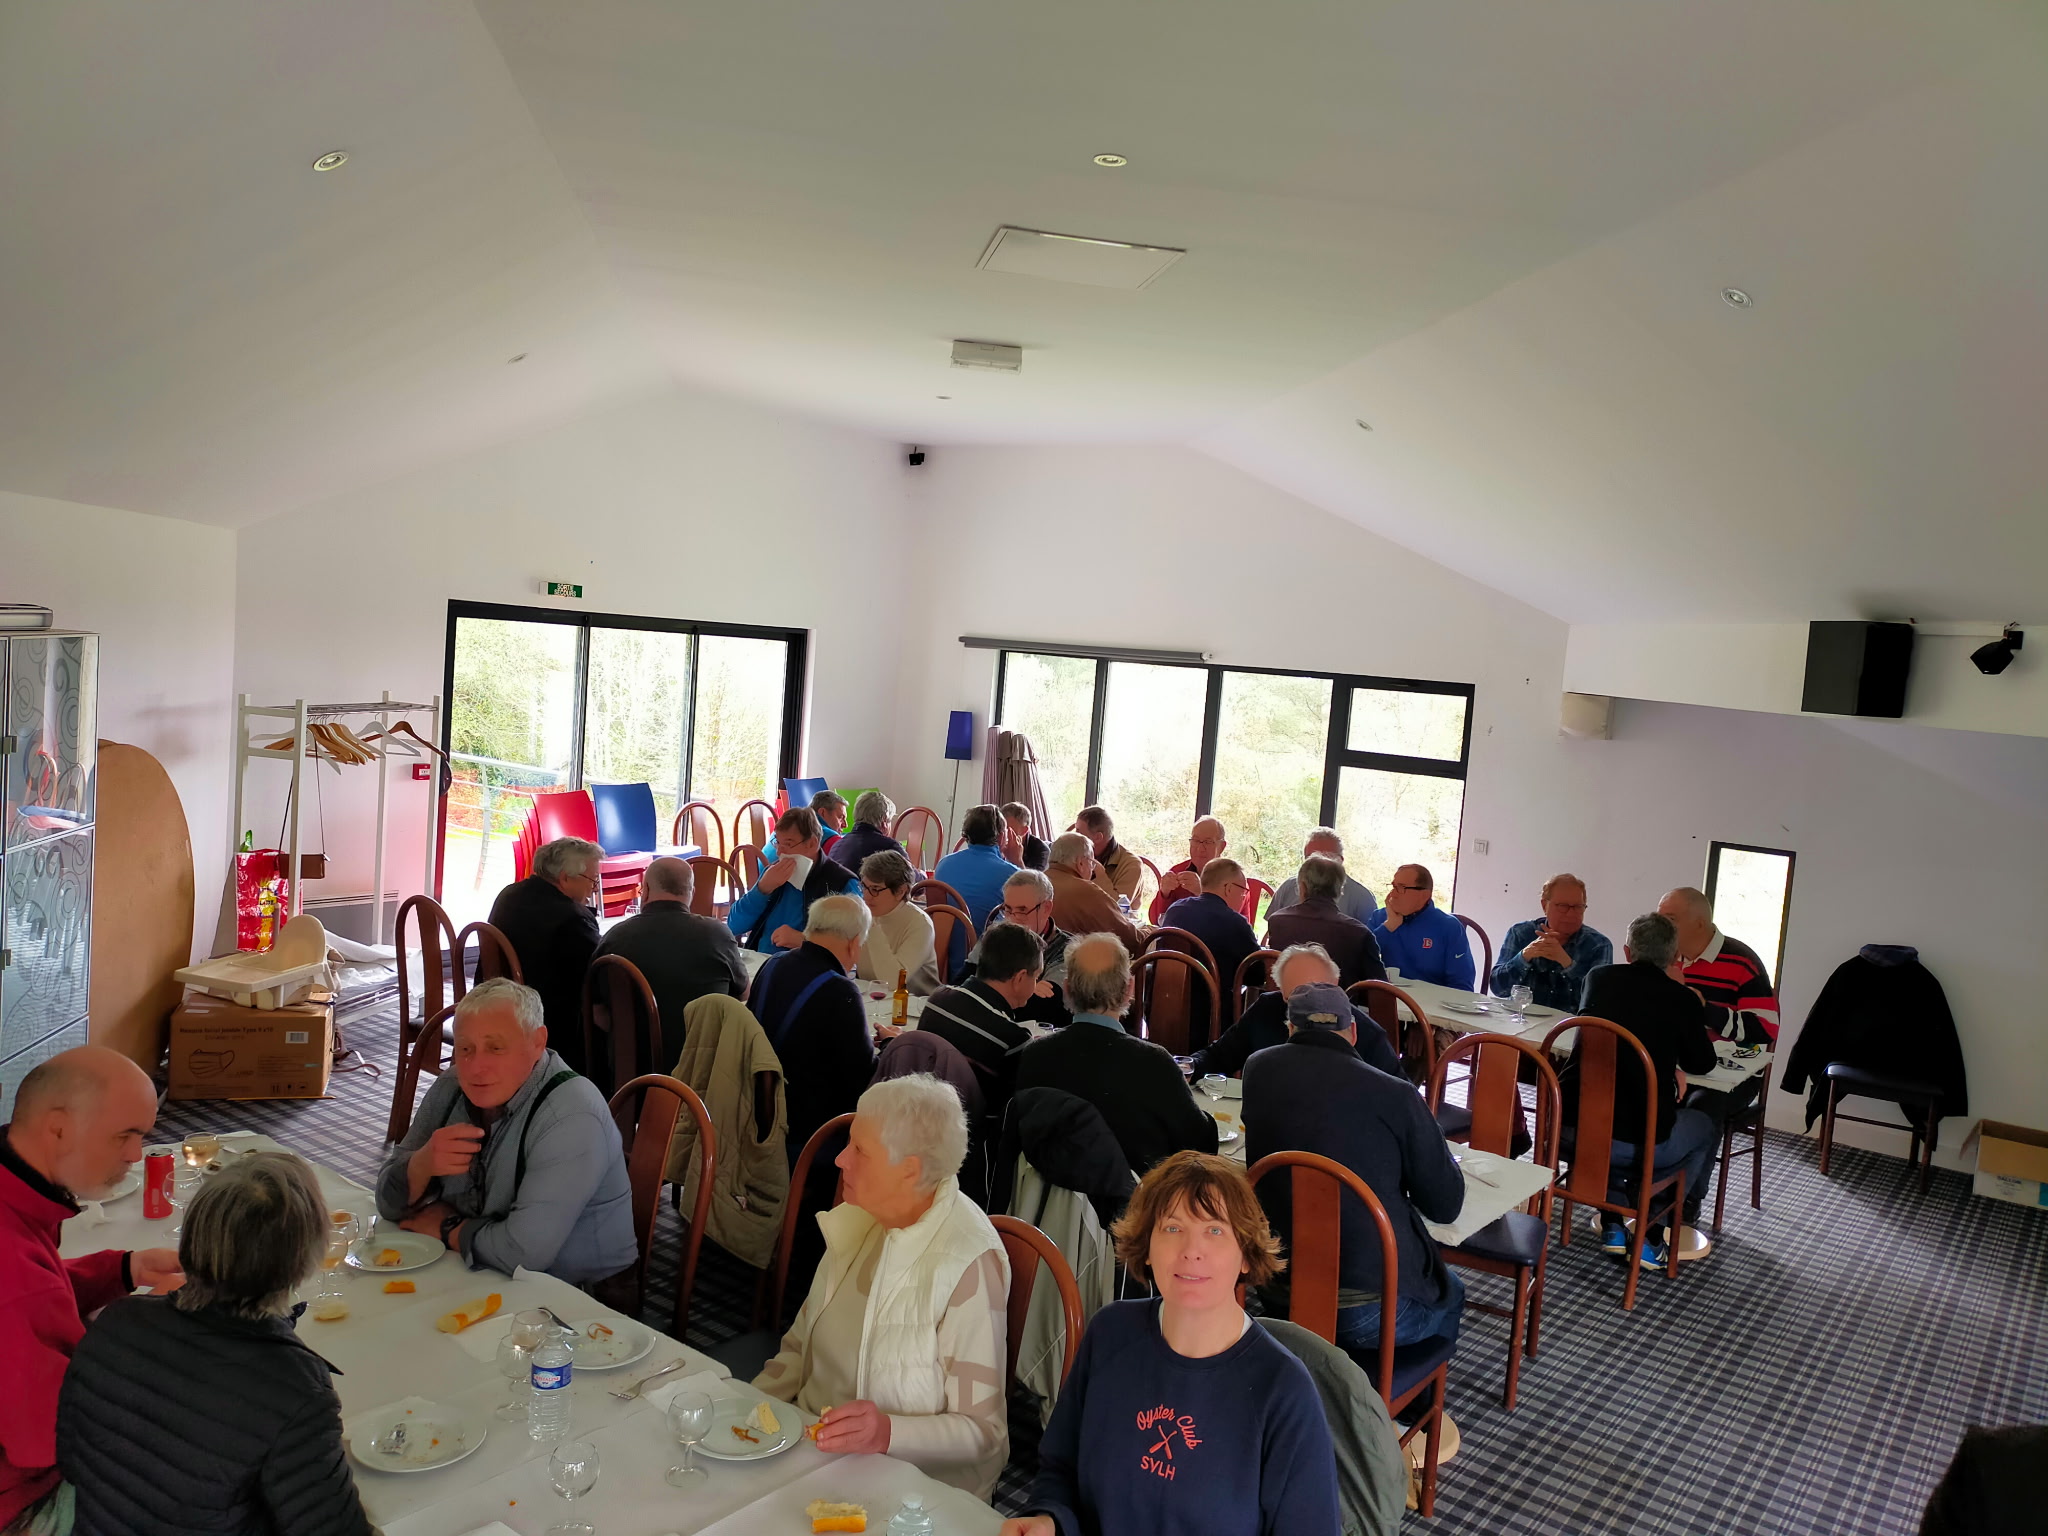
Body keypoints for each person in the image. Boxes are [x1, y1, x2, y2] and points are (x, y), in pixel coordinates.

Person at [1002, 1152, 1340, 1536]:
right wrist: (1049, 1518)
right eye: (1172, 1227)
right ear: (1147, 1247)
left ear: (1246, 1255)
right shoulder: (1110, 1333)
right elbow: (1060, 1468)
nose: (1191, 1249)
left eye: (1215, 1230)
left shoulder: (1284, 1392)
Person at [57, 1153, 374, 1536]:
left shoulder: (118, 1319)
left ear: (193, 1239)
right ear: (304, 1258)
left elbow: (71, 1462)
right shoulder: (296, 1387)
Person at [756, 1075, 1010, 1500]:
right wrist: (746, 1409)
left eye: (859, 1150)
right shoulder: (861, 1219)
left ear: (909, 1169)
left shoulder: (968, 1263)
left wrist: (888, 1432)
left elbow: (984, 1433)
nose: (841, 1160)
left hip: (909, 1495)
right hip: (810, 1453)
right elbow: (798, 1349)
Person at [1, 1047, 182, 1534]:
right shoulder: (14, 1273)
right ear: (58, 1128)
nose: (136, 1154)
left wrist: (123, 1270)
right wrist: (152, 1326)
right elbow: (53, 1440)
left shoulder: (13, 1200)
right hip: (20, 1502)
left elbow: (39, 1291)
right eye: (124, 1135)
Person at [1242, 984, 1465, 1358]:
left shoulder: (1258, 1069)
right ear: (1354, 1032)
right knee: (1452, 1292)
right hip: (1365, 1311)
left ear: (1290, 1028)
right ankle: (1403, 1394)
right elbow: (1445, 1206)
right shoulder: (1395, 1094)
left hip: (1276, 1290)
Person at [375, 977, 637, 1287]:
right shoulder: (452, 1085)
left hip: (577, 1294)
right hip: (478, 1268)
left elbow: (524, 1255)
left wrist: (447, 1226)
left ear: (537, 1043)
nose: (475, 1067)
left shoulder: (571, 1114)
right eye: (465, 1048)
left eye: (495, 1048)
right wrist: (421, 1165)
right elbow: (387, 1203)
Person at [1569, 912, 1720, 1268]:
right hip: (1639, 1142)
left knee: (1609, 1109)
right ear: (1675, 957)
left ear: (1627, 951)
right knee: (1704, 1127)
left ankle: (1612, 1220)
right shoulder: (1680, 998)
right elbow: (1703, 1063)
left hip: (1574, 1129)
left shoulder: (1597, 978)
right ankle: (1652, 1230)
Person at [1014, 935, 1217, 1175]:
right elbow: (1201, 1147)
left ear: (1067, 989)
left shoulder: (1034, 1056)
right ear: (1129, 988)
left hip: (1052, 1196)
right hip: (1136, 1197)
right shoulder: (1153, 1064)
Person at [749, 895, 878, 1162]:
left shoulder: (773, 964)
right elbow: (861, 1079)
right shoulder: (840, 991)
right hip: (809, 1134)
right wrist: (889, 1047)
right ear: (854, 943)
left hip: (755, 1112)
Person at [591, 856, 746, 1069]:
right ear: (691, 892)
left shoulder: (614, 939)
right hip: (704, 1069)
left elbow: (598, 1014)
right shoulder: (717, 934)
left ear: (645, 890)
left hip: (636, 1070)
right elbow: (743, 995)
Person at [1191, 943, 1403, 1081]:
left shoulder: (1367, 1033)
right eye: (1296, 997)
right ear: (1283, 995)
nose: (1311, 1004)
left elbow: (1401, 1098)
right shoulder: (1267, 1010)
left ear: (1336, 984)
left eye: (1320, 990)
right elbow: (1218, 1057)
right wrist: (1186, 1068)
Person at [487, 835, 603, 1068]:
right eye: (592, 880)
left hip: (495, 1000)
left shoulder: (509, 894)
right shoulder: (571, 919)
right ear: (565, 878)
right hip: (543, 1020)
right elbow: (598, 973)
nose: (594, 888)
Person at [916, 922, 1042, 1122]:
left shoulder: (938, 999)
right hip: (969, 1132)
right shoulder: (1013, 1039)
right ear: (1019, 978)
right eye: (1036, 976)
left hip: (917, 1114)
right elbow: (1010, 1112)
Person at [1656, 887, 1779, 1047]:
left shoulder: (1742, 962)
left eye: (1670, 920)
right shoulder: (1662, 957)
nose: (1660, 928)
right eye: (1658, 920)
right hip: (1671, 1055)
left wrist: (1704, 1009)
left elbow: (1765, 1030)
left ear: (1699, 924)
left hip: (1721, 1060)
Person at [728, 806, 860, 954]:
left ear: (812, 844)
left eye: (788, 844)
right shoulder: (773, 873)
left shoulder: (842, 883)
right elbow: (733, 926)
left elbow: (854, 947)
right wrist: (762, 889)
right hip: (762, 962)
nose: (779, 852)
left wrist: (805, 940)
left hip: (808, 965)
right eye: (777, 843)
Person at [1159, 857, 1260, 1046]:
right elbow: (1257, 974)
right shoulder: (1235, 923)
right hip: (1213, 1020)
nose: (1243, 897)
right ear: (1228, 888)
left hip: (1166, 1009)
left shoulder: (1175, 910)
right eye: (1243, 891)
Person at [1491, 873, 1612, 1012]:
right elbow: (1498, 989)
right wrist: (1524, 956)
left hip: (1570, 1023)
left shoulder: (1599, 945)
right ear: (1544, 905)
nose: (1571, 914)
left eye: (1578, 907)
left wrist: (1567, 963)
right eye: (1563, 906)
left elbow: (1598, 1003)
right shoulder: (1520, 933)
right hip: (1520, 1019)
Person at [966, 870, 1072, 1028]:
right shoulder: (996, 935)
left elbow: (1046, 1009)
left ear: (1046, 908)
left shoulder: (1065, 949)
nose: (1013, 919)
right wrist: (1029, 988)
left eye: (1022, 910)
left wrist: (991, 986)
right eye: (1008, 909)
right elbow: (963, 982)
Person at [1264, 854, 1386, 988]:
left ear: (1302, 887)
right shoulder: (1359, 933)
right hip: (1338, 1001)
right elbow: (1380, 989)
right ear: (1340, 890)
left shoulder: (1278, 921)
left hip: (1285, 999)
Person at [1368, 864, 1475, 990]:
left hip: (1432, 1000)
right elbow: (1359, 959)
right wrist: (1389, 926)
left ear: (1424, 895)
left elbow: (1462, 986)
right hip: (1387, 996)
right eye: (1393, 887)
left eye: (1401, 888)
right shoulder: (1380, 918)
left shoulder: (1449, 927)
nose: (1393, 894)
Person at [1047, 833, 1148, 955]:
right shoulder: (1085, 890)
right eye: (1092, 863)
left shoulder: (1037, 881)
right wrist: (1149, 931)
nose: (1092, 869)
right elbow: (1130, 940)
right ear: (1081, 863)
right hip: (1073, 963)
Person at [854, 851, 939, 995]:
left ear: (900, 891)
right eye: (864, 887)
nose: (866, 896)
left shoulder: (920, 924)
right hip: (872, 998)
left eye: (875, 889)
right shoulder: (864, 912)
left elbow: (893, 981)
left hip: (914, 1002)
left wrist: (872, 927)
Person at [932, 804, 1020, 935]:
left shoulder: (943, 864)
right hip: (984, 946)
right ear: (1001, 837)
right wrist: (1017, 861)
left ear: (966, 835)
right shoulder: (1011, 873)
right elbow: (1031, 907)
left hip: (941, 945)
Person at [1267, 828, 1378, 923]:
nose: (1317, 867)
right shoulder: (1288, 888)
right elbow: (1271, 931)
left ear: (1340, 861)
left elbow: (1371, 938)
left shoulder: (1362, 898)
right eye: (1311, 859)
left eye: (1326, 859)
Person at [1148, 818, 1242, 923]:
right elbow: (1155, 921)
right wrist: (1164, 892)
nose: (1200, 848)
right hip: (1178, 933)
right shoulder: (1178, 871)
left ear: (1222, 847)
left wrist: (1202, 893)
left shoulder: (1235, 879)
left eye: (1208, 842)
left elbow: (1232, 925)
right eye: (1196, 841)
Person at [1074, 806, 1143, 906]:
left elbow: (1119, 908)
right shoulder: (1077, 854)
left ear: (1098, 837)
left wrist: (1100, 877)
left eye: (1078, 833)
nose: (1074, 837)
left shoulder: (1132, 865)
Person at [765, 790, 851, 863]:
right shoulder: (831, 839)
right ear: (822, 813)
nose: (845, 825)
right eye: (840, 817)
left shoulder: (784, 828)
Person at [829, 790, 906, 872]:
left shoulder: (837, 846)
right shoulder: (890, 847)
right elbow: (910, 876)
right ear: (884, 822)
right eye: (890, 821)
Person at [1001, 802, 1049, 871]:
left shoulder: (1042, 851)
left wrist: (1017, 860)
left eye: (1008, 830)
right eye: (1001, 829)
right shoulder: (995, 843)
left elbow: (1035, 877)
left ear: (1024, 830)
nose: (1003, 834)